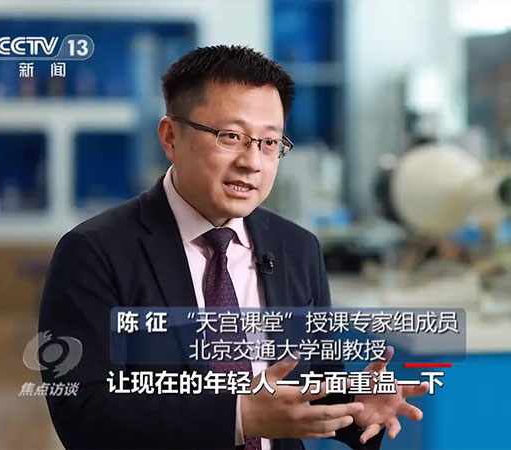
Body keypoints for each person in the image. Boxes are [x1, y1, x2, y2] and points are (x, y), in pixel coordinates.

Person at [38, 45, 428, 450]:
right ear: (171, 137)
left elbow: (313, 383)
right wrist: (239, 417)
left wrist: (356, 408)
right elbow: (83, 413)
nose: (252, 162)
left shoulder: (298, 249)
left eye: (270, 142)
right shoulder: (94, 253)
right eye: (231, 137)